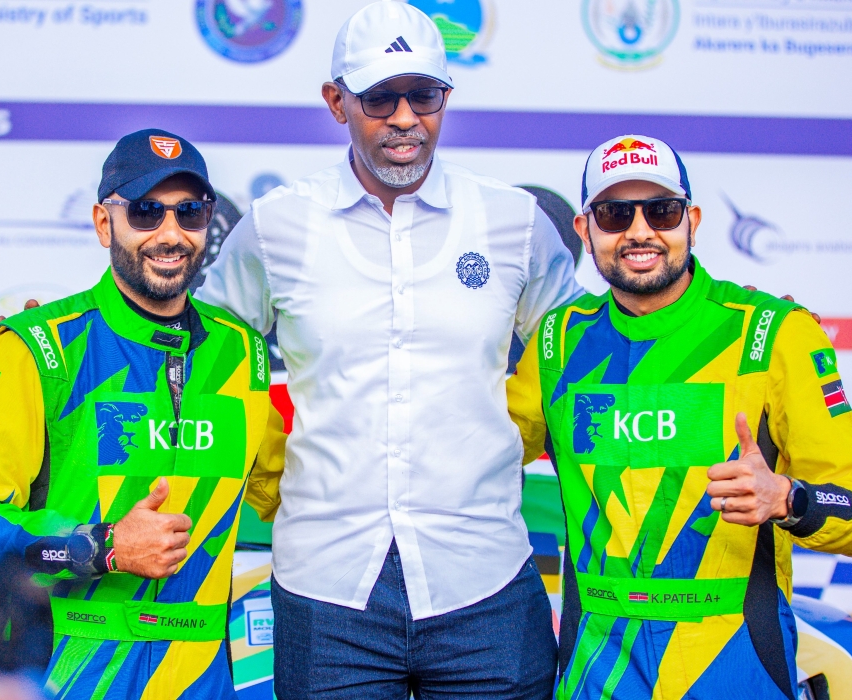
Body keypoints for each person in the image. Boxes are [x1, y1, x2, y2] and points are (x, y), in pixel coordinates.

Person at [191, 2, 578, 697]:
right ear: (336, 102)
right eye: (379, 98)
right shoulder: (277, 226)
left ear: (446, 98)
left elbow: (592, 353)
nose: (405, 117)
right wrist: (46, 354)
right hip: (326, 589)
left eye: (422, 95)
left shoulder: (513, 221)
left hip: (484, 581)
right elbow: (195, 351)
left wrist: (723, 326)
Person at [506, 134, 852, 699]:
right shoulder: (558, 344)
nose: (640, 231)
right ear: (586, 231)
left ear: (693, 219)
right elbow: (478, 450)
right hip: (599, 674)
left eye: (660, 210)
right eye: (615, 214)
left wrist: (788, 497)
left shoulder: (773, 333)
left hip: (735, 669)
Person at [0, 128, 285, 699]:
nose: (171, 233)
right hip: (70, 673)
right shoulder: (37, 349)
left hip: (203, 681)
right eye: (147, 212)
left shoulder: (240, 352)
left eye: (189, 212)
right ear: (105, 223)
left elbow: (284, 497)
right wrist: (101, 547)